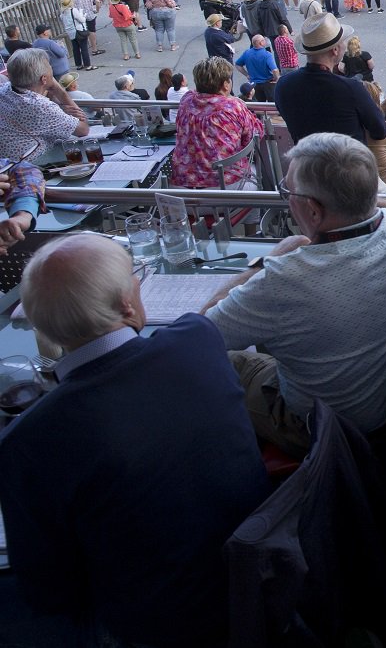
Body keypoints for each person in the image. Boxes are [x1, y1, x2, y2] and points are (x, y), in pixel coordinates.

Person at [0, 235, 269, 648]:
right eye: (136, 277)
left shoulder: (28, 441)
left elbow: (49, 590)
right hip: (262, 572)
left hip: (163, 628)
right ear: (127, 304)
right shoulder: (197, 339)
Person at [201, 134, 386, 454]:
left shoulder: (283, 280)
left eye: (289, 192)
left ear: (313, 211)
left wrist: (266, 261)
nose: (288, 200)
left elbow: (200, 334)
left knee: (217, 366)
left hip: (324, 429)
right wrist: (365, 204)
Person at [272, 13, 386, 145]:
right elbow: (380, 131)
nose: (345, 45)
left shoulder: (283, 85)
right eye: (343, 41)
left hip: (305, 157)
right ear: (335, 50)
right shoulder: (351, 88)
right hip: (347, 158)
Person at [169, 57, 265, 189]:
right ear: (226, 84)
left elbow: (196, 93)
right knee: (256, 171)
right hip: (226, 185)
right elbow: (256, 135)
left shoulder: (186, 100)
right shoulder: (233, 106)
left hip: (184, 186)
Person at [0, 48, 89, 161]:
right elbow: (83, 130)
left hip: (6, 163)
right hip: (33, 166)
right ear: (44, 79)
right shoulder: (40, 107)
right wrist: (57, 88)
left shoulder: (4, 90)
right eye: (50, 67)